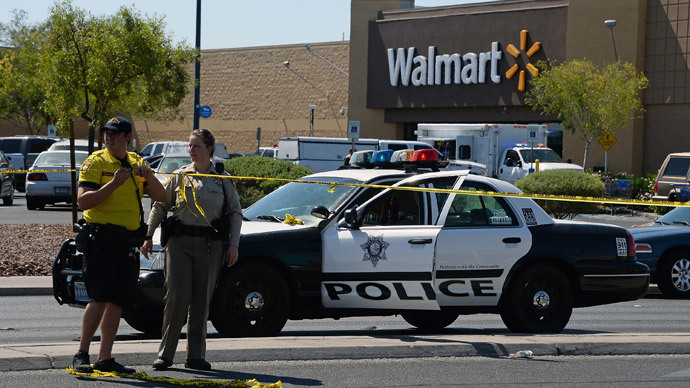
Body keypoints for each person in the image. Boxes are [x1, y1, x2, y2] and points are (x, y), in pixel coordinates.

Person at [141, 128, 243, 371]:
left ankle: (195, 356)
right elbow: (160, 205)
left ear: (209, 149)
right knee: (176, 298)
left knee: (200, 301)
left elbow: (235, 213)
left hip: (210, 247)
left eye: (196, 146)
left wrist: (234, 245)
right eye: (190, 146)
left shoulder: (221, 178)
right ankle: (165, 355)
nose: (191, 150)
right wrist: (147, 235)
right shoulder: (179, 176)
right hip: (179, 245)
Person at [71, 116, 166, 374]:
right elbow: (83, 201)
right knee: (99, 298)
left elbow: (160, 197)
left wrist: (150, 177)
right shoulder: (96, 162)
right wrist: (114, 184)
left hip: (128, 243)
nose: (109, 137)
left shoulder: (137, 162)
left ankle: (105, 358)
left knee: (117, 302)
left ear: (127, 138)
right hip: (102, 240)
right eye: (106, 134)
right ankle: (81, 354)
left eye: (114, 134)